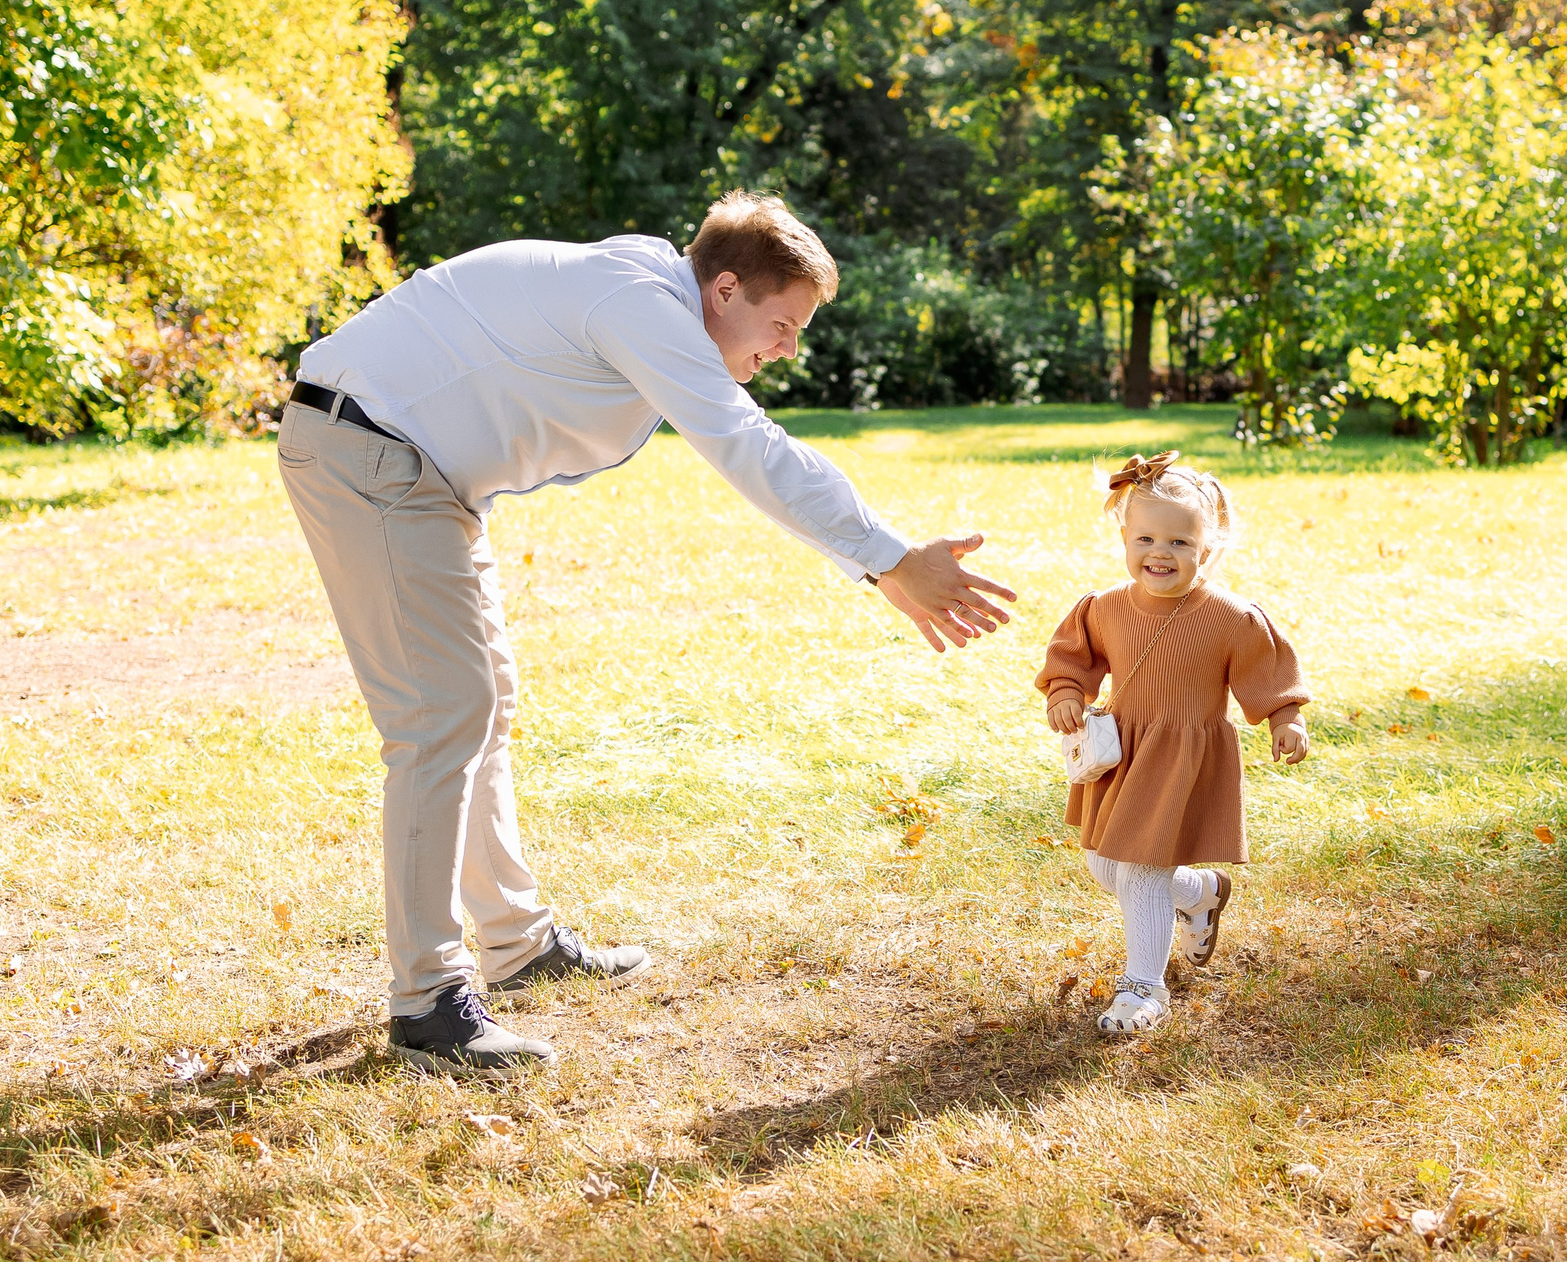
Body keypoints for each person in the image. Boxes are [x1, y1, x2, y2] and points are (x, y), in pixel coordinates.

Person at [277, 192, 1018, 1073]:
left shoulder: (647, 287)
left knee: (485, 703)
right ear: (727, 288)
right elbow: (747, 444)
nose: (790, 349)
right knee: (445, 716)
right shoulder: (640, 304)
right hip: (368, 450)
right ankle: (429, 1003)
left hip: (420, 472)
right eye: (783, 325)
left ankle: (515, 942)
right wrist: (891, 559)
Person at [1036, 453, 1310, 1035]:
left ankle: (1144, 988)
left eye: (1181, 543)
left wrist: (1284, 714)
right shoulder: (1106, 607)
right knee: (1106, 864)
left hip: (1183, 756)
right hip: (1125, 754)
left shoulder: (1229, 616)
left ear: (1207, 547)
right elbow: (1074, 655)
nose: (1160, 553)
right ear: (1125, 537)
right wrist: (1065, 691)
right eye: (1146, 538)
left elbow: (1264, 669)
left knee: (1141, 870)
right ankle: (1201, 892)